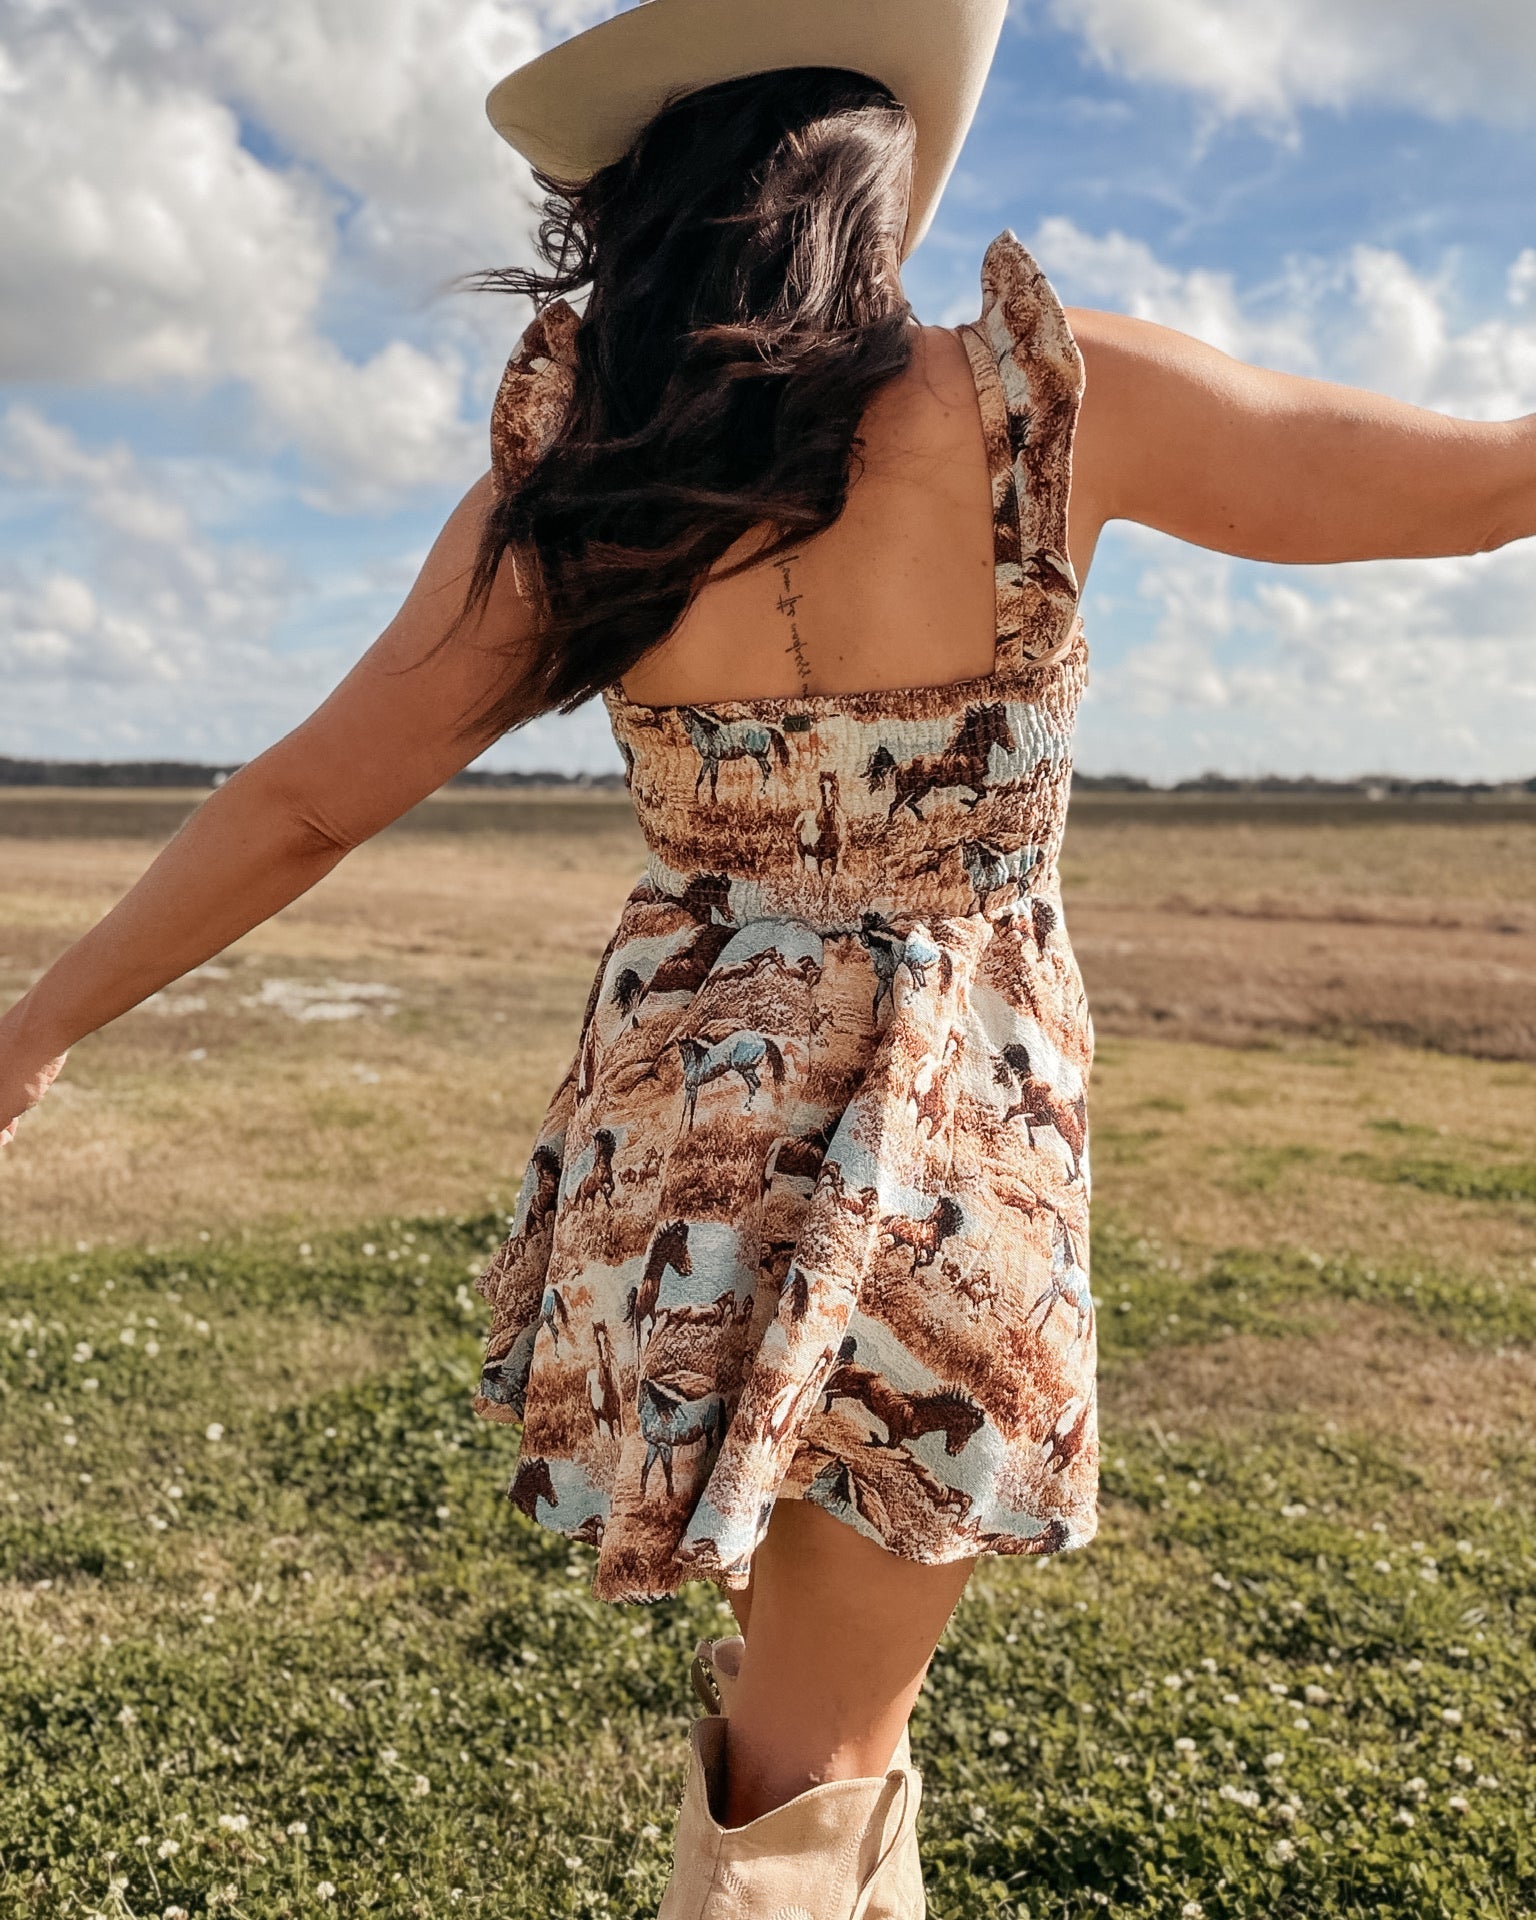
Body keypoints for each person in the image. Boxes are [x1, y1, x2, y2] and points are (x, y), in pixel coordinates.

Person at [2, 3, 1531, 1913]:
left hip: (688, 1156)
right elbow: (1488, 486)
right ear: (869, 183)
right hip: (938, 1143)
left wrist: (39, 1025)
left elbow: (306, 801)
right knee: (823, 1745)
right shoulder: (1042, 405)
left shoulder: (599, 485)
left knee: (794, 1718)